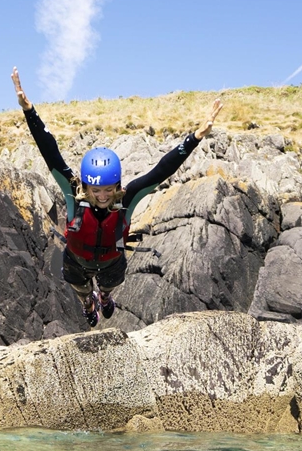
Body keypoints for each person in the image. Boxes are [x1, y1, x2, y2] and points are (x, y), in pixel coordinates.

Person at [12, 67, 223, 327]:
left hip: (112, 262)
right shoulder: (73, 193)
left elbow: (162, 170)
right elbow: (50, 152)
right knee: (80, 291)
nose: (102, 196)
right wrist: (29, 110)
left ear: (118, 185)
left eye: (108, 189)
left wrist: (196, 137)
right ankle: (89, 302)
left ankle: (104, 296)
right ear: (86, 187)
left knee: (109, 286)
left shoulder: (128, 198)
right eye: (96, 190)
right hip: (76, 261)